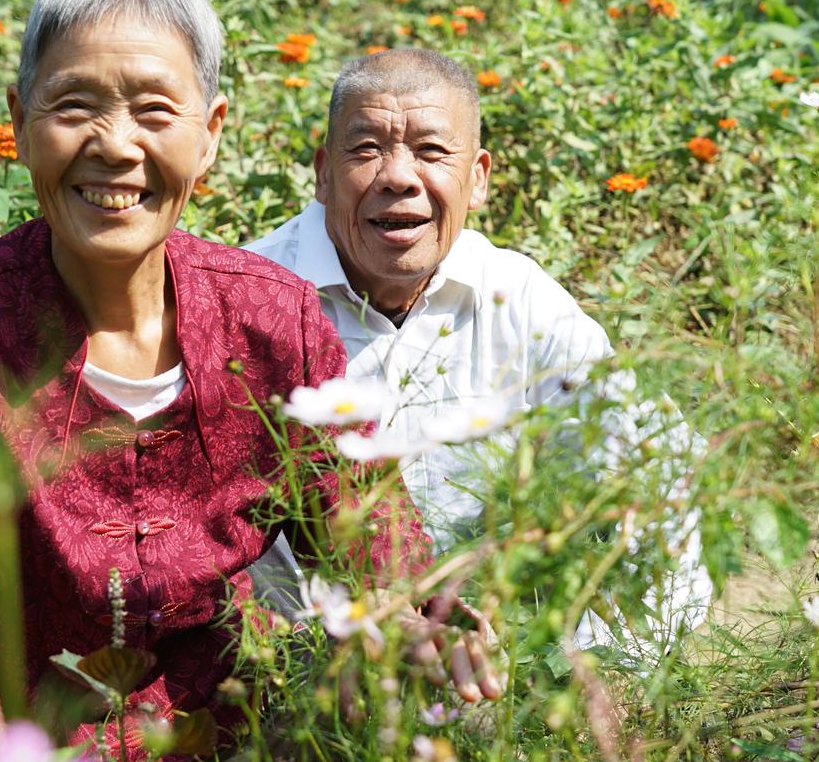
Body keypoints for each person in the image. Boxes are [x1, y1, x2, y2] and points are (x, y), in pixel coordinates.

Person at [0, 0, 443, 762]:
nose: (115, 147)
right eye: (73, 105)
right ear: (17, 118)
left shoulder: (275, 323)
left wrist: (431, 627)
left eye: (156, 110)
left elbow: (372, 547)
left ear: (212, 131)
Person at [247, 48, 711, 656]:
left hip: (493, 684)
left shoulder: (518, 301)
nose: (398, 176)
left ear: (479, 178)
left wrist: (600, 676)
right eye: (365, 149)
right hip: (287, 679)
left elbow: (660, 472)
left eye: (432, 151)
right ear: (323, 172)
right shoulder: (250, 297)